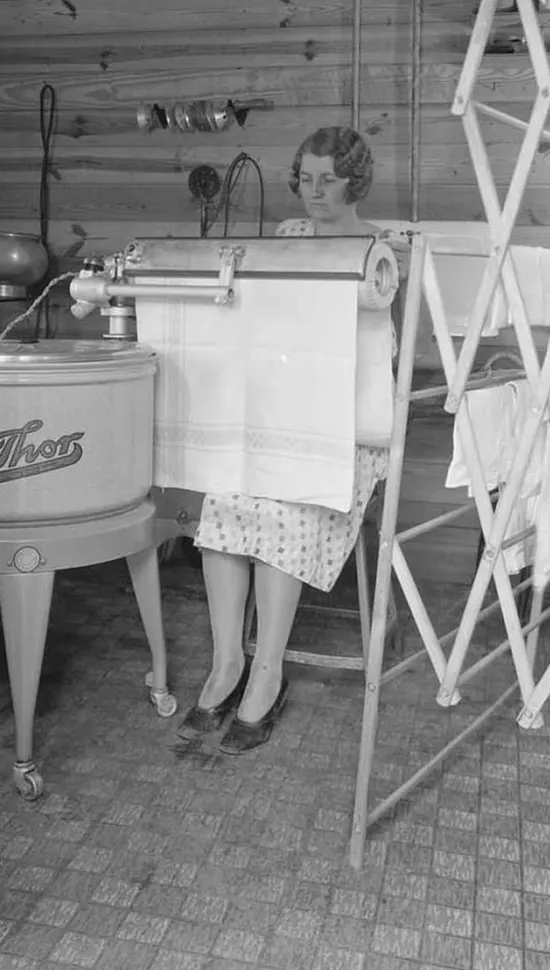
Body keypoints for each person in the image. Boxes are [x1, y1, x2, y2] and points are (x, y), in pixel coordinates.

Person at [177, 126, 408, 754]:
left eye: (326, 179)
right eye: (304, 178)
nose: (313, 191)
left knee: (282, 507)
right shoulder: (287, 239)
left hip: (347, 426)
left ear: (354, 180)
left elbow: (374, 347)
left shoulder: (379, 252)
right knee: (223, 501)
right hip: (282, 412)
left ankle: (268, 671)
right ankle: (227, 662)